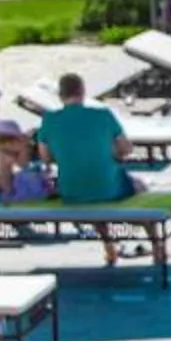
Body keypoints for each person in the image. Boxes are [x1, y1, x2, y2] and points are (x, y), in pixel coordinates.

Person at [33, 71, 140, 261]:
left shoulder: (49, 119)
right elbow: (126, 148)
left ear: (60, 95)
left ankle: (109, 245)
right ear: (82, 91)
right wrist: (110, 152)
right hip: (108, 189)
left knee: (90, 192)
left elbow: (45, 158)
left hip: (71, 191)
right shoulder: (103, 115)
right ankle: (157, 244)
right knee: (137, 186)